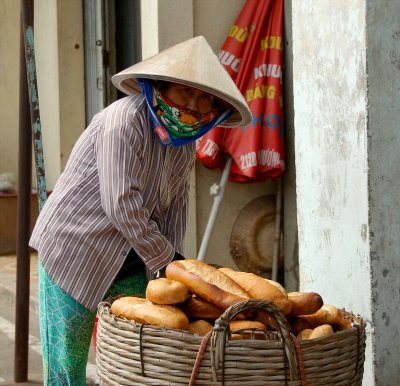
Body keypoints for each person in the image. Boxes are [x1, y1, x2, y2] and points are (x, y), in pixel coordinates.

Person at [29, 36, 251, 385]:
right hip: (73, 252)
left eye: (204, 97)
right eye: (184, 92)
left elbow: (175, 209)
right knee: (66, 369)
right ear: (159, 89)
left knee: (128, 361)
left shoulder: (184, 143)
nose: (193, 105)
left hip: (133, 258)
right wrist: (166, 258)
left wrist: (176, 268)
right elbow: (121, 203)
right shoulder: (124, 120)